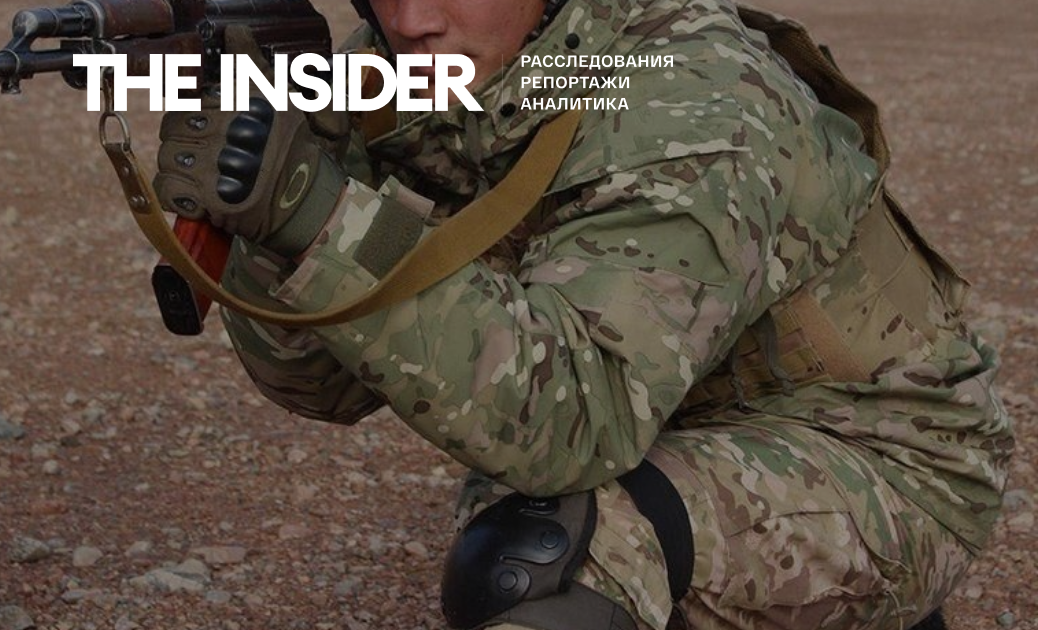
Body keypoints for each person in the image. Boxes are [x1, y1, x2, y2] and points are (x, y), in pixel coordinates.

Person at [153, 0, 1014, 628]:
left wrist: (321, 217)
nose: (413, 19)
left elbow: (579, 417)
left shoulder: (687, 89)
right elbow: (322, 387)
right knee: (526, 507)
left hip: (880, 461)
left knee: (548, 561)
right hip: (674, 421)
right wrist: (275, 226)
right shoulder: (422, 73)